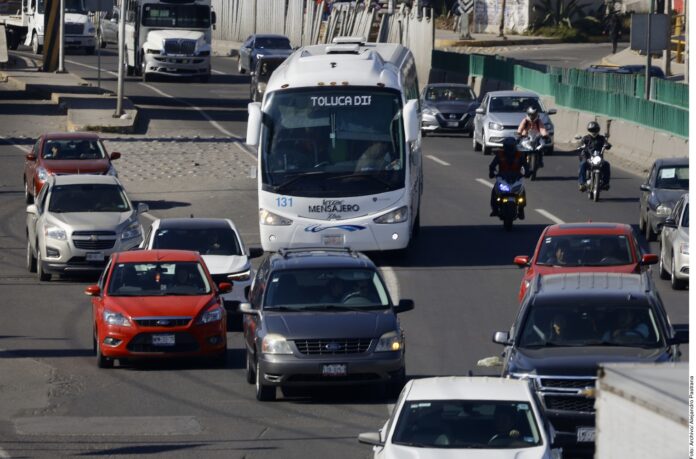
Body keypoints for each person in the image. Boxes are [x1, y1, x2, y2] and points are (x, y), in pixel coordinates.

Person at [488, 137, 529, 219]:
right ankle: (495, 209)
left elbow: (526, 166)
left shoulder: (520, 155)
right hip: (502, 177)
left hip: (516, 177)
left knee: (522, 190)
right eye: (507, 146)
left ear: (515, 146)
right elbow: (492, 165)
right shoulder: (499, 155)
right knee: (494, 191)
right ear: (504, 147)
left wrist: (527, 172)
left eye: (511, 146)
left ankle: (521, 209)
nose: (509, 148)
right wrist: (492, 172)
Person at [578, 121, 612, 192]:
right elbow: (580, 144)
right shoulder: (585, 138)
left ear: (598, 130)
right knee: (583, 164)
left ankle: (605, 183)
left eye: (595, 129)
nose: (593, 131)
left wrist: (607, 145)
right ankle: (582, 184)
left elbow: (607, 144)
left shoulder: (601, 138)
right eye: (592, 130)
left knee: (607, 164)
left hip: (598, 159)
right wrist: (581, 146)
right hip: (588, 159)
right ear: (589, 130)